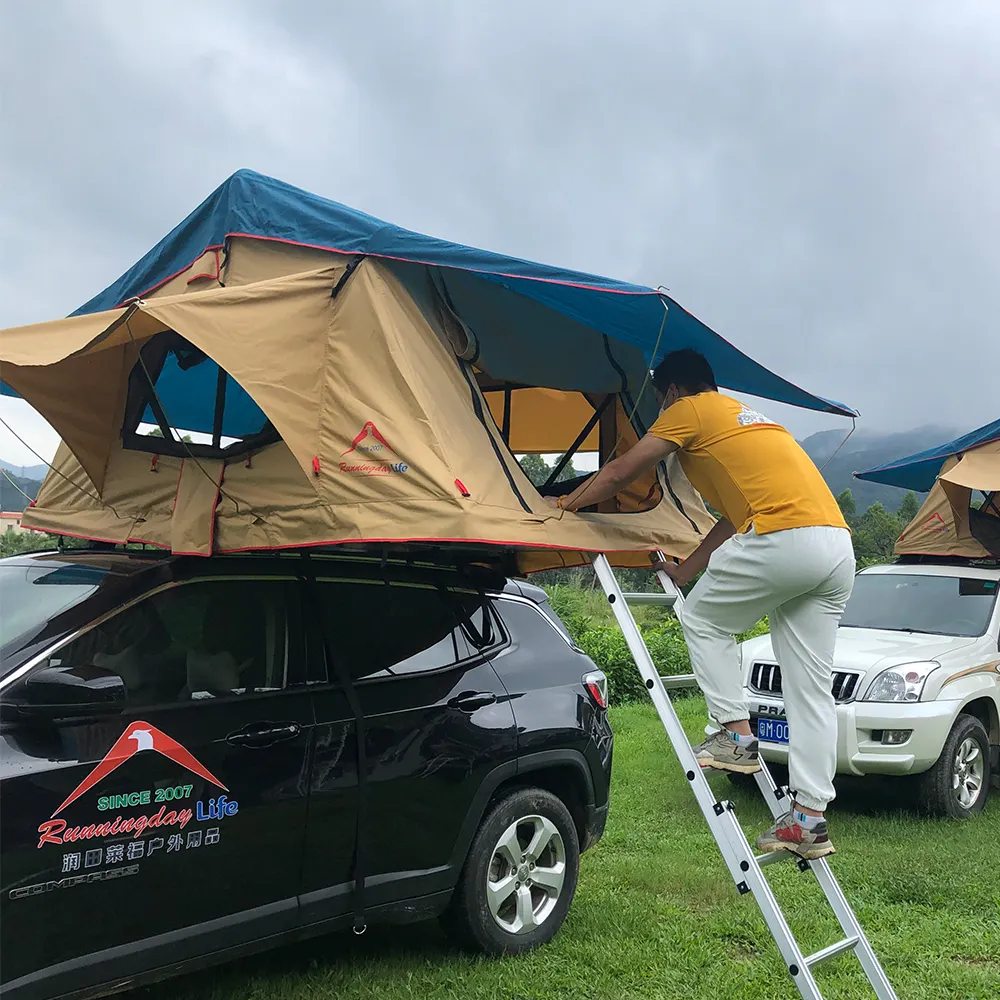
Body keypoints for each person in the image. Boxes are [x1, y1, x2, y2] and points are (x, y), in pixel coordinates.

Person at [546, 349, 854, 859]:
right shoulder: (753, 422)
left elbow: (623, 470)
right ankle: (809, 819)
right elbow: (732, 519)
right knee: (810, 691)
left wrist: (562, 505)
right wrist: (686, 570)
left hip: (784, 538)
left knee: (702, 620)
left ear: (671, 392)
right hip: (835, 548)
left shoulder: (689, 410)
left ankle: (734, 734)